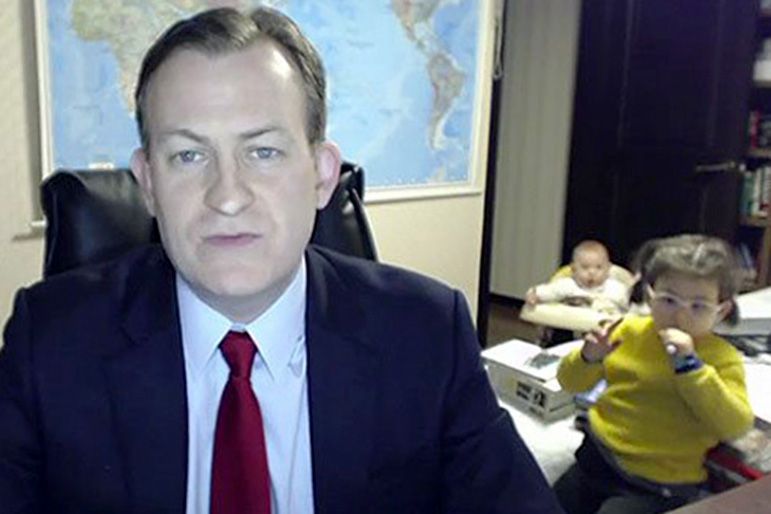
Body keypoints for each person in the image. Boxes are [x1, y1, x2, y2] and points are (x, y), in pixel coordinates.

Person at [0, 7, 563, 514]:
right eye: (188, 155)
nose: (227, 196)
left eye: (263, 151)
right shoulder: (48, 341)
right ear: (147, 183)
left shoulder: (425, 334)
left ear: (321, 175)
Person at [552, 234, 754, 514]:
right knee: (542, 503)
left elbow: (735, 425)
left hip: (657, 482)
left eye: (698, 306)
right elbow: (569, 382)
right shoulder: (627, 331)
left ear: (721, 310)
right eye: (669, 300)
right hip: (597, 457)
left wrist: (691, 368)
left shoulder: (721, 357)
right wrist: (588, 357)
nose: (680, 316)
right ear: (650, 296)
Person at [526, 240, 630, 315]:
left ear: (608, 269)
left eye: (599, 267)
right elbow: (547, 291)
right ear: (573, 269)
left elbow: (631, 306)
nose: (592, 272)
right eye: (585, 267)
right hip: (571, 330)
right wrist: (534, 295)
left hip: (604, 333)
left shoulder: (616, 289)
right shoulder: (567, 285)